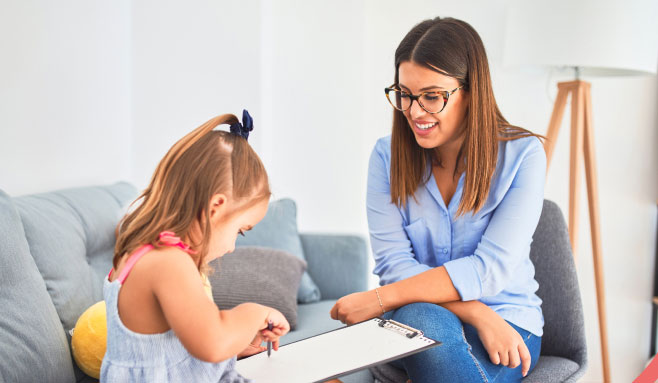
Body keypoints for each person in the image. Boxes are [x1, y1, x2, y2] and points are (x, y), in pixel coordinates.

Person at [330, 17, 545, 383]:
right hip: (424, 316)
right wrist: (476, 312)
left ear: (472, 91)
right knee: (424, 320)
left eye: (432, 97)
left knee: (430, 343)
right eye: (405, 94)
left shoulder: (523, 155)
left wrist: (380, 299)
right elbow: (395, 264)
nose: (414, 112)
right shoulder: (386, 157)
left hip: (508, 322)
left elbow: (490, 270)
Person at [101, 111, 290, 382]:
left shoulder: (138, 254)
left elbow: (169, 354)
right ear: (216, 207)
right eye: (239, 231)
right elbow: (212, 343)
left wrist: (233, 345)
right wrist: (255, 313)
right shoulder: (168, 262)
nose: (232, 247)